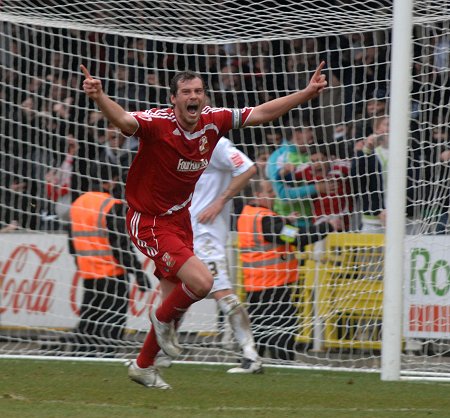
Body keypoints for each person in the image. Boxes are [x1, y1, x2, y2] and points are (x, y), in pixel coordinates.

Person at [80, 61, 327, 389]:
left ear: (205, 97)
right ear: (174, 99)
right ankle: (162, 322)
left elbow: (263, 114)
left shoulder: (214, 122)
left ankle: (143, 366)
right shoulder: (157, 123)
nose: (193, 96)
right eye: (186, 92)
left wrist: (307, 92)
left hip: (181, 219)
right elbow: (124, 120)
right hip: (149, 221)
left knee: (173, 302)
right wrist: (99, 97)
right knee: (201, 282)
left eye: (198, 91)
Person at [237, 179, 336, 360]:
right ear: (258, 195)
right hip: (274, 283)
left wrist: (284, 221)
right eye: (269, 191)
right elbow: (296, 238)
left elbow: (273, 233)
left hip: (255, 283)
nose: (274, 194)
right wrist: (328, 227)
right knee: (284, 324)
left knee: (258, 326)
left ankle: (249, 360)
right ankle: (283, 361)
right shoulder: (265, 219)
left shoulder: (248, 214)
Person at [190, 137, 260, 373]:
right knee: (172, 292)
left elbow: (248, 168)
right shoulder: (178, 140)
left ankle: (251, 355)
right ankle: (159, 353)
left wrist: (220, 201)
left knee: (222, 293)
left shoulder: (215, 143)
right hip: (183, 232)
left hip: (205, 235)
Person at [69, 163, 151, 357]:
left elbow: (71, 245)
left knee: (90, 315)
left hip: (88, 272)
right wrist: (138, 274)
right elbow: (121, 246)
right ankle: (107, 354)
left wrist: (83, 264)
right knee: (113, 317)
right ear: (110, 182)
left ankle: (82, 353)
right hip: (113, 273)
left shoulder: (77, 204)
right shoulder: (111, 205)